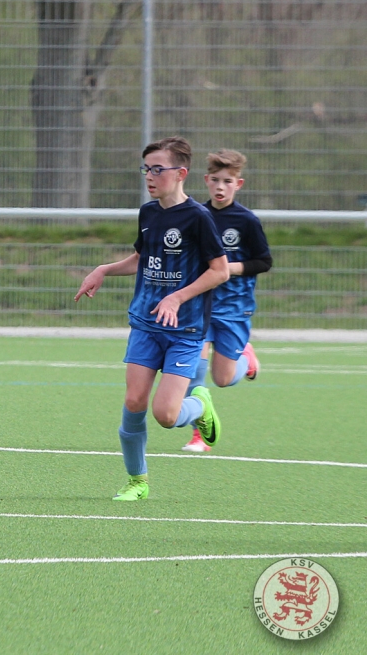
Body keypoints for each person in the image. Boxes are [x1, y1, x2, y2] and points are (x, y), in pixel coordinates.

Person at [75, 136, 229, 501]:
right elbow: (141, 259)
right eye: (146, 168)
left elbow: (220, 271)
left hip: (185, 329)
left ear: (181, 173)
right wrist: (103, 269)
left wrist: (177, 296)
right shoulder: (148, 213)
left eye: (158, 169)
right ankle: (137, 481)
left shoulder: (198, 218)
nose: (150, 176)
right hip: (145, 324)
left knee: (166, 415)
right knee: (134, 402)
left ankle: (200, 406)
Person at [183, 149, 272, 452]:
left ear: (239, 184)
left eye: (228, 181)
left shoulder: (246, 221)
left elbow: (264, 262)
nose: (220, 187)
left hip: (233, 308)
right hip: (199, 305)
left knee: (223, 379)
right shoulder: (196, 215)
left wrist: (226, 269)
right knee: (192, 370)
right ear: (206, 180)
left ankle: (246, 358)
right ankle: (199, 434)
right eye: (216, 180)